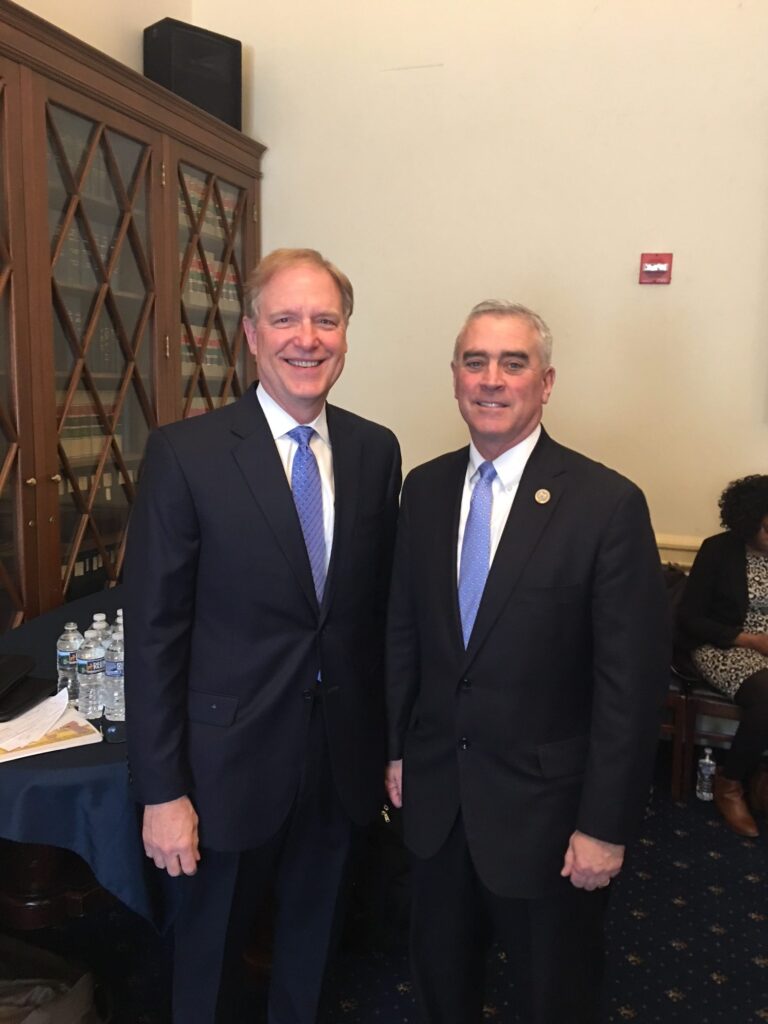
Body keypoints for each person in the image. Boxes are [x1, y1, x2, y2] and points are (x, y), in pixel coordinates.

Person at [123, 248, 401, 1024]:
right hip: (221, 770)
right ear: (251, 333)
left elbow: (376, 618)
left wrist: (391, 747)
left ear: (346, 335)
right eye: (285, 319)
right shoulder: (188, 454)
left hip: (339, 761)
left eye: (325, 320)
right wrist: (162, 790)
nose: (305, 338)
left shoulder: (376, 450)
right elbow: (152, 637)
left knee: (313, 954)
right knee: (206, 961)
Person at [384, 300, 670, 1024]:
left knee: (555, 996)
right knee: (442, 986)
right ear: (455, 378)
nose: (491, 379)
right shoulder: (423, 489)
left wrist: (605, 825)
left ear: (545, 384)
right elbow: (406, 636)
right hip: (437, 804)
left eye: (513, 363)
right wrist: (397, 750)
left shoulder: (606, 505)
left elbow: (628, 689)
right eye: (475, 362)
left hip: (549, 819)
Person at [677, 474, 768, 837]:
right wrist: (750, 641)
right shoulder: (719, 550)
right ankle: (729, 783)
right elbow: (690, 619)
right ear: (748, 521)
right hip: (723, 647)